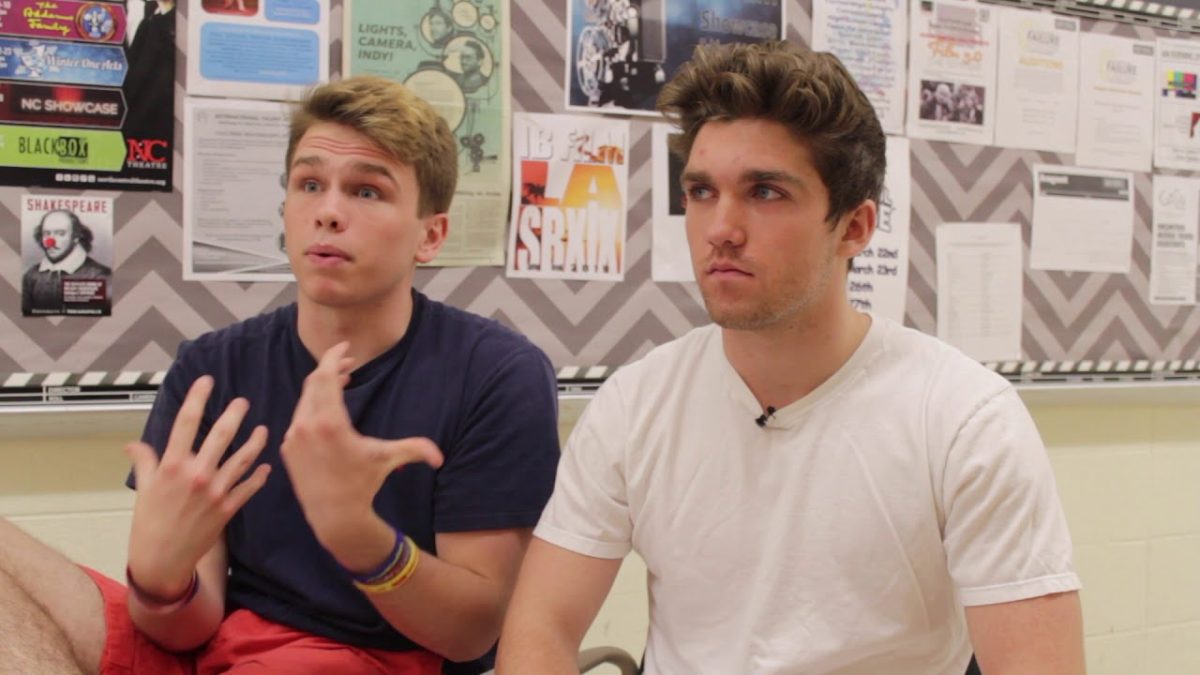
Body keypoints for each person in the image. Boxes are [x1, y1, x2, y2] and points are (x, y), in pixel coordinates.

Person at [497, 41, 1084, 675]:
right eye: (700, 191)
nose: (721, 227)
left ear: (855, 228)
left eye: (766, 192)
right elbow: (541, 629)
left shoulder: (965, 418)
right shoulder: (636, 403)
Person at [0, 76, 560, 675]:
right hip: (221, 648)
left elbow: (472, 633)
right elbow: (190, 627)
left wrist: (356, 534)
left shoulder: (498, 373)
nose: (329, 212)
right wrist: (163, 584)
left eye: (367, 191)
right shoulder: (211, 366)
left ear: (431, 235)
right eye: (310, 184)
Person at [22, 209, 112, 316]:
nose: (51, 241)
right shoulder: (31, 276)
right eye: (46, 233)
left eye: (60, 233)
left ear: (76, 237)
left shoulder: (101, 276)